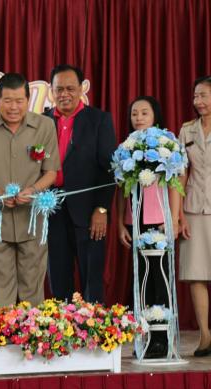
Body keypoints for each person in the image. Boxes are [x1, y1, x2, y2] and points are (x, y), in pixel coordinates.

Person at [0, 73, 60, 307]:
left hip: (33, 220)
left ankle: (32, 328)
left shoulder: (45, 126)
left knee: (33, 289)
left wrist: (32, 190)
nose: (13, 107)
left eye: (19, 101)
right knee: (0, 289)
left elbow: (51, 172)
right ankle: (2, 328)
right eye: (7, 101)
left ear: (28, 100)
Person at [44, 64, 116, 303]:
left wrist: (102, 209)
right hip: (51, 209)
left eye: (70, 88)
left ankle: (94, 323)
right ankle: (59, 323)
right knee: (57, 275)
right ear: (51, 91)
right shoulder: (41, 121)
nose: (64, 94)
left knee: (91, 277)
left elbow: (109, 169)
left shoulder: (99, 120)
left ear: (81, 89)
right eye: (59, 89)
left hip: (88, 211)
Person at [117, 96, 169, 358]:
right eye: (134, 113)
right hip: (135, 219)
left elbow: (176, 182)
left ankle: (163, 339)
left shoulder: (166, 145)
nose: (138, 117)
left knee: (160, 277)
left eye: (144, 113)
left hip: (160, 218)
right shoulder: (125, 147)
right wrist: (120, 222)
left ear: (155, 116)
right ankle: (145, 338)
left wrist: (174, 218)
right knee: (141, 279)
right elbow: (120, 190)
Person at [177, 75, 211, 357]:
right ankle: (205, 335)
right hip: (194, 209)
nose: (198, 101)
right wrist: (179, 214)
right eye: (196, 96)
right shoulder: (186, 130)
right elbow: (180, 173)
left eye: (204, 95)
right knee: (196, 274)